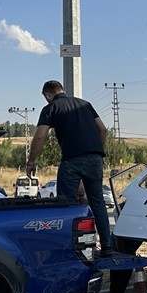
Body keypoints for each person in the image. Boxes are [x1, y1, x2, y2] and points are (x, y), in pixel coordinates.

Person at [26, 80, 113, 255]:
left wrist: (31, 161)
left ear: (48, 94)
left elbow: (40, 136)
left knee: (66, 204)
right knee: (97, 202)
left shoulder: (51, 107)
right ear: (62, 90)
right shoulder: (85, 104)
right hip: (95, 158)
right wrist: (98, 152)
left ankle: (71, 248)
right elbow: (103, 130)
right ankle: (107, 246)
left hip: (72, 160)